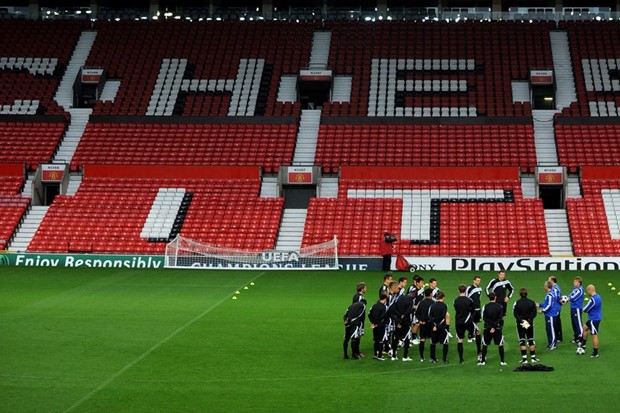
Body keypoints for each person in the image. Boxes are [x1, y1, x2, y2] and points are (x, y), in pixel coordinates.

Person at [478, 292, 507, 366]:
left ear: (488, 298)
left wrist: (491, 326)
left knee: (485, 344)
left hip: (487, 327)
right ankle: (502, 361)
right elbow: (500, 318)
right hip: (497, 328)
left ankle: (482, 361)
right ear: (495, 298)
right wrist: (494, 326)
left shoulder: (485, 306)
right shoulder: (500, 306)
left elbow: (484, 318)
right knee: (500, 344)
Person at [513, 288, 539, 364]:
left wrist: (521, 321)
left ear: (520, 294)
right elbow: (534, 313)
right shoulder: (531, 302)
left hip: (520, 324)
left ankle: (524, 359)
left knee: (522, 340)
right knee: (530, 340)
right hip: (529, 324)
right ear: (526, 294)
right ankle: (533, 358)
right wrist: (529, 320)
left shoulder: (517, 303)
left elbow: (515, 314)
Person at [454, 284, 479, 364]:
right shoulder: (469, 300)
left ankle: (461, 359)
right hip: (468, 321)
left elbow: (456, 309)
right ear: (465, 291)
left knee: (460, 340)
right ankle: (479, 352)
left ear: (458, 291)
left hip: (459, 322)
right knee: (478, 332)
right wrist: (471, 317)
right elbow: (474, 310)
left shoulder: (455, 300)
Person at [391, 289, 415, 361]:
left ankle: (394, 356)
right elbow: (408, 312)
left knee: (395, 338)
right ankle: (405, 357)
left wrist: (398, 319)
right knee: (406, 339)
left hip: (397, 321)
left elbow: (394, 309)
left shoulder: (400, 298)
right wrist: (401, 320)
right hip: (405, 322)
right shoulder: (411, 301)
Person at [429, 291, 450, 364]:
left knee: (433, 343)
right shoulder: (445, 306)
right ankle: (444, 359)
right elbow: (443, 316)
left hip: (433, 326)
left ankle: (432, 358)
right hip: (442, 326)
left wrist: (434, 325)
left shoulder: (432, 305)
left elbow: (430, 316)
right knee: (445, 343)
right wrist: (439, 325)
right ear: (443, 297)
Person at [581, 284, 603, 358]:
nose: (588, 292)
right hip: (595, 317)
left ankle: (595, 352)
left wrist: (582, 308)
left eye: (588, 290)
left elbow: (586, 309)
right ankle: (583, 344)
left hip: (594, 319)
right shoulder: (598, 296)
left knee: (594, 335)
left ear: (590, 290)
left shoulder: (593, 299)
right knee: (585, 327)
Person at [537, 281, 559, 350]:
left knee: (551, 329)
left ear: (547, 287)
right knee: (549, 329)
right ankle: (551, 343)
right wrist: (539, 305)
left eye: (544, 286)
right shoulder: (550, 293)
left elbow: (549, 305)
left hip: (551, 315)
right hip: (550, 314)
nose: (544, 287)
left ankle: (553, 344)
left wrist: (542, 310)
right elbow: (546, 304)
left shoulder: (550, 295)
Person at [415, 288, 434, 362]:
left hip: (422, 324)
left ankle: (422, 357)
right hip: (429, 324)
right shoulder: (433, 303)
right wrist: (425, 320)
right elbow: (431, 314)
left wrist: (420, 320)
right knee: (432, 340)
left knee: (422, 339)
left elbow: (416, 313)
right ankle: (432, 358)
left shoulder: (420, 302)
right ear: (430, 294)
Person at [368, 293, 389, 360]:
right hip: (381, 326)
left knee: (376, 340)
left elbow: (369, 314)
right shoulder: (384, 307)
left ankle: (375, 355)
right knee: (380, 340)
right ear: (385, 299)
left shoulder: (374, 305)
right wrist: (377, 323)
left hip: (374, 326)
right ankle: (379, 356)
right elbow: (382, 317)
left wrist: (373, 323)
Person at [568, 277, 585, 347]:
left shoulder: (580, 290)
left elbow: (573, 298)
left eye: (575, 281)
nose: (574, 282)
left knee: (578, 323)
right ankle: (576, 338)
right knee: (574, 323)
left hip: (577, 308)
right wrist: (566, 298)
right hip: (573, 308)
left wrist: (565, 299)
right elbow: (570, 295)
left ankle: (581, 339)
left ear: (579, 283)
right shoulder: (575, 289)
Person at [466, 275, 483, 342]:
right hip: (471, 309)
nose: (479, 282)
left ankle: (473, 335)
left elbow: (479, 298)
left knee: (475, 322)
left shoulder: (480, 289)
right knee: (470, 322)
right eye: (477, 280)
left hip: (478, 308)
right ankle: (470, 336)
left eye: (479, 281)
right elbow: (466, 297)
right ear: (474, 280)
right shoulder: (469, 288)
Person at [352, 282, 367, 357]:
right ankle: (356, 353)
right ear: (362, 289)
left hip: (358, 319)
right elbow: (358, 309)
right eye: (365, 287)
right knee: (357, 336)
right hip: (359, 320)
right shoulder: (359, 298)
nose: (366, 289)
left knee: (358, 336)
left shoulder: (356, 296)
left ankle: (357, 352)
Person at [548, 276, 564, 342]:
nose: (548, 281)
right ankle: (558, 336)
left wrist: (561, 303)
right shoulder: (556, 287)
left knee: (556, 322)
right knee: (557, 321)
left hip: (556, 307)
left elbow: (558, 297)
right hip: (556, 307)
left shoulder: (555, 288)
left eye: (549, 280)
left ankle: (558, 337)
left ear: (552, 281)